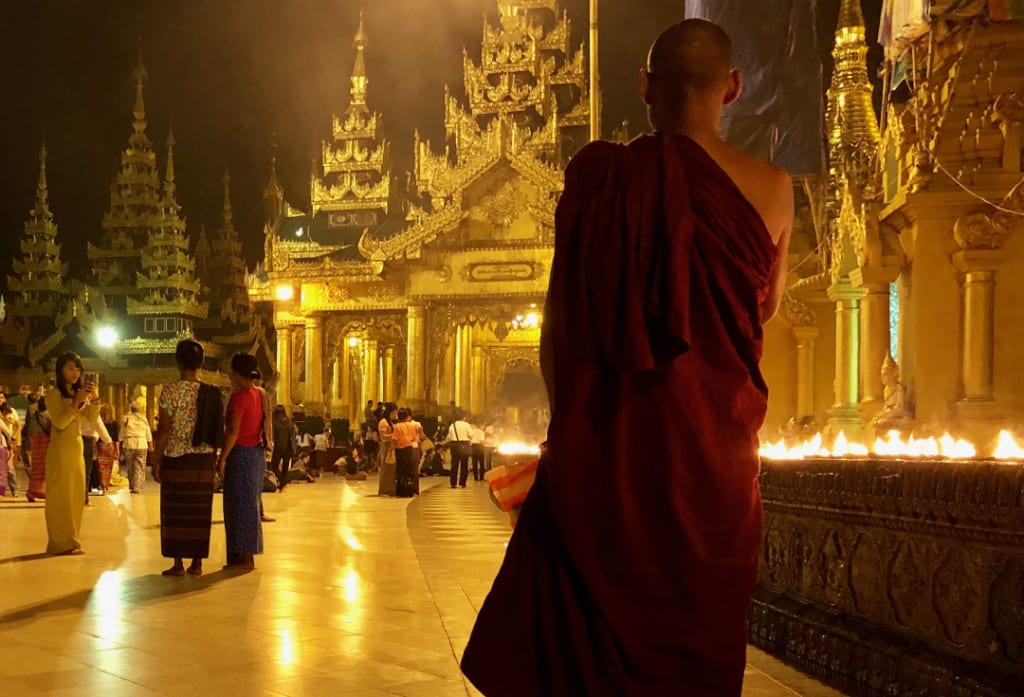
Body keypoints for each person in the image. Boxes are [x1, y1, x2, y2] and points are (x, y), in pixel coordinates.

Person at [462, 20, 793, 697]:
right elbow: (764, 308)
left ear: (645, 86)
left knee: (579, 659)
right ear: (732, 89)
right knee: (697, 653)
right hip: (714, 473)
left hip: (604, 460)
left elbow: (558, 327)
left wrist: (570, 433)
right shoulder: (772, 187)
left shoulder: (599, 177)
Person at [152, 340, 221, 577]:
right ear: (201, 363)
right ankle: (197, 563)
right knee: (199, 512)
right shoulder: (211, 392)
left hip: (176, 458)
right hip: (203, 459)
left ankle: (178, 563)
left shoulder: (170, 391)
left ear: (177, 361)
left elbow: (164, 428)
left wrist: (156, 459)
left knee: (175, 512)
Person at [44, 353, 99, 555]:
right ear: (60, 370)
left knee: (75, 496)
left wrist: (93, 399)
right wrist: (76, 403)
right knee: (60, 498)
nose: (75, 373)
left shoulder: (76, 393)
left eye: (77, 369)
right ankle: (59, 543)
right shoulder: (54, 394)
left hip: (76, 448)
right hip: (60, 450)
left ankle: (72, 539)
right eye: (70, 368)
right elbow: (59, 422)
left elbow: (91, 419)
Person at [218, 353, 268, 571]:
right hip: (256, 455)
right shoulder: (261, 394)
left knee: (239, 506)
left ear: (238, 374)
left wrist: (222, 458)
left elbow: (233, 432)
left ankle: (244, 556)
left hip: (240, 454)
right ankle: (245, 554)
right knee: (250, 505)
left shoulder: (239, 397)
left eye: (232, 371)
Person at [79, 400, 112, 501]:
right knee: (86, 469)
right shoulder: (90, 410)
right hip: (89, 441)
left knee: (77, 469)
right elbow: (99, 426)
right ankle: (84, 498)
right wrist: (108, 441)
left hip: (76, 440)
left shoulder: (75, 408)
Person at [120, 403, 153, 494]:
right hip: (142, 443)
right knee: (140, 465)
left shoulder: (126, 418)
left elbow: (122, 432)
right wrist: (151, 445)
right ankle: (137, 486)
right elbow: (148, 433)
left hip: (128, 443)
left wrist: (120, 441)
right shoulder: (144, 419)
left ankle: (133, 485)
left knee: (130, 466)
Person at [25, 395, 49, 502]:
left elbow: (29, 428)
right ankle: (42, 491)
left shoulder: (34, 415)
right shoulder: (49, 415)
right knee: (46, 469)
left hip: (35, 442)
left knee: (36, 469)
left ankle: (31, 491)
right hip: (45, 443)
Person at [392, 408, 420, 498]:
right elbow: (414, 437)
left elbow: (394, 439)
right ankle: (409, 491)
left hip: (399, 449)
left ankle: (400, 491)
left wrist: (393, 448)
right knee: (408, 470)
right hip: (409, 448)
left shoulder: (397, 426)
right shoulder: (411, 426)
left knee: (400, 470)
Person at [270, 406, 295, 491]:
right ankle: (283, 484)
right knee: (285, 466)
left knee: (274, 465)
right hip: (288, 447)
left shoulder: (275, 422)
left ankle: (282, 481)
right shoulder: (289, 422)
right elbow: (292, 434)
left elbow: (273, 435)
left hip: (278, 446)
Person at [445, 411, 473, 489]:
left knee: (454, 464)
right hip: (464, 444)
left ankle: (453, 483)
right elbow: (471, 435)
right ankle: (462, 483)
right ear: (463, 417)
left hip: (454, 445)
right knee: (464, 464)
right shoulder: (466, 425)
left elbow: (449, 437)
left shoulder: (452, 425)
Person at [376, 404, 398, 496]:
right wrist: (394, 436)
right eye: (393, 413)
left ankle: (391, 489)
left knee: (391, 469)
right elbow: (383, 437)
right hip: (386, 447)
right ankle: (384, 490)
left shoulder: (391, 422)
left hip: (391, 447)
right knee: (385, 468)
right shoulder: (383, 422)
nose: (394, 415)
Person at [470, 418, 486, 482]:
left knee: (474, 463)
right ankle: (481, 477)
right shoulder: (481, 432)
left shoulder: (471, 431)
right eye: (484, 425)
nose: (484, 427)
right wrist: (489, 442)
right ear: (481, 425)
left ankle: (476, 477)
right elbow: (481, 441)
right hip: (479, 447)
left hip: (473, 447)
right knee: (481, 463)